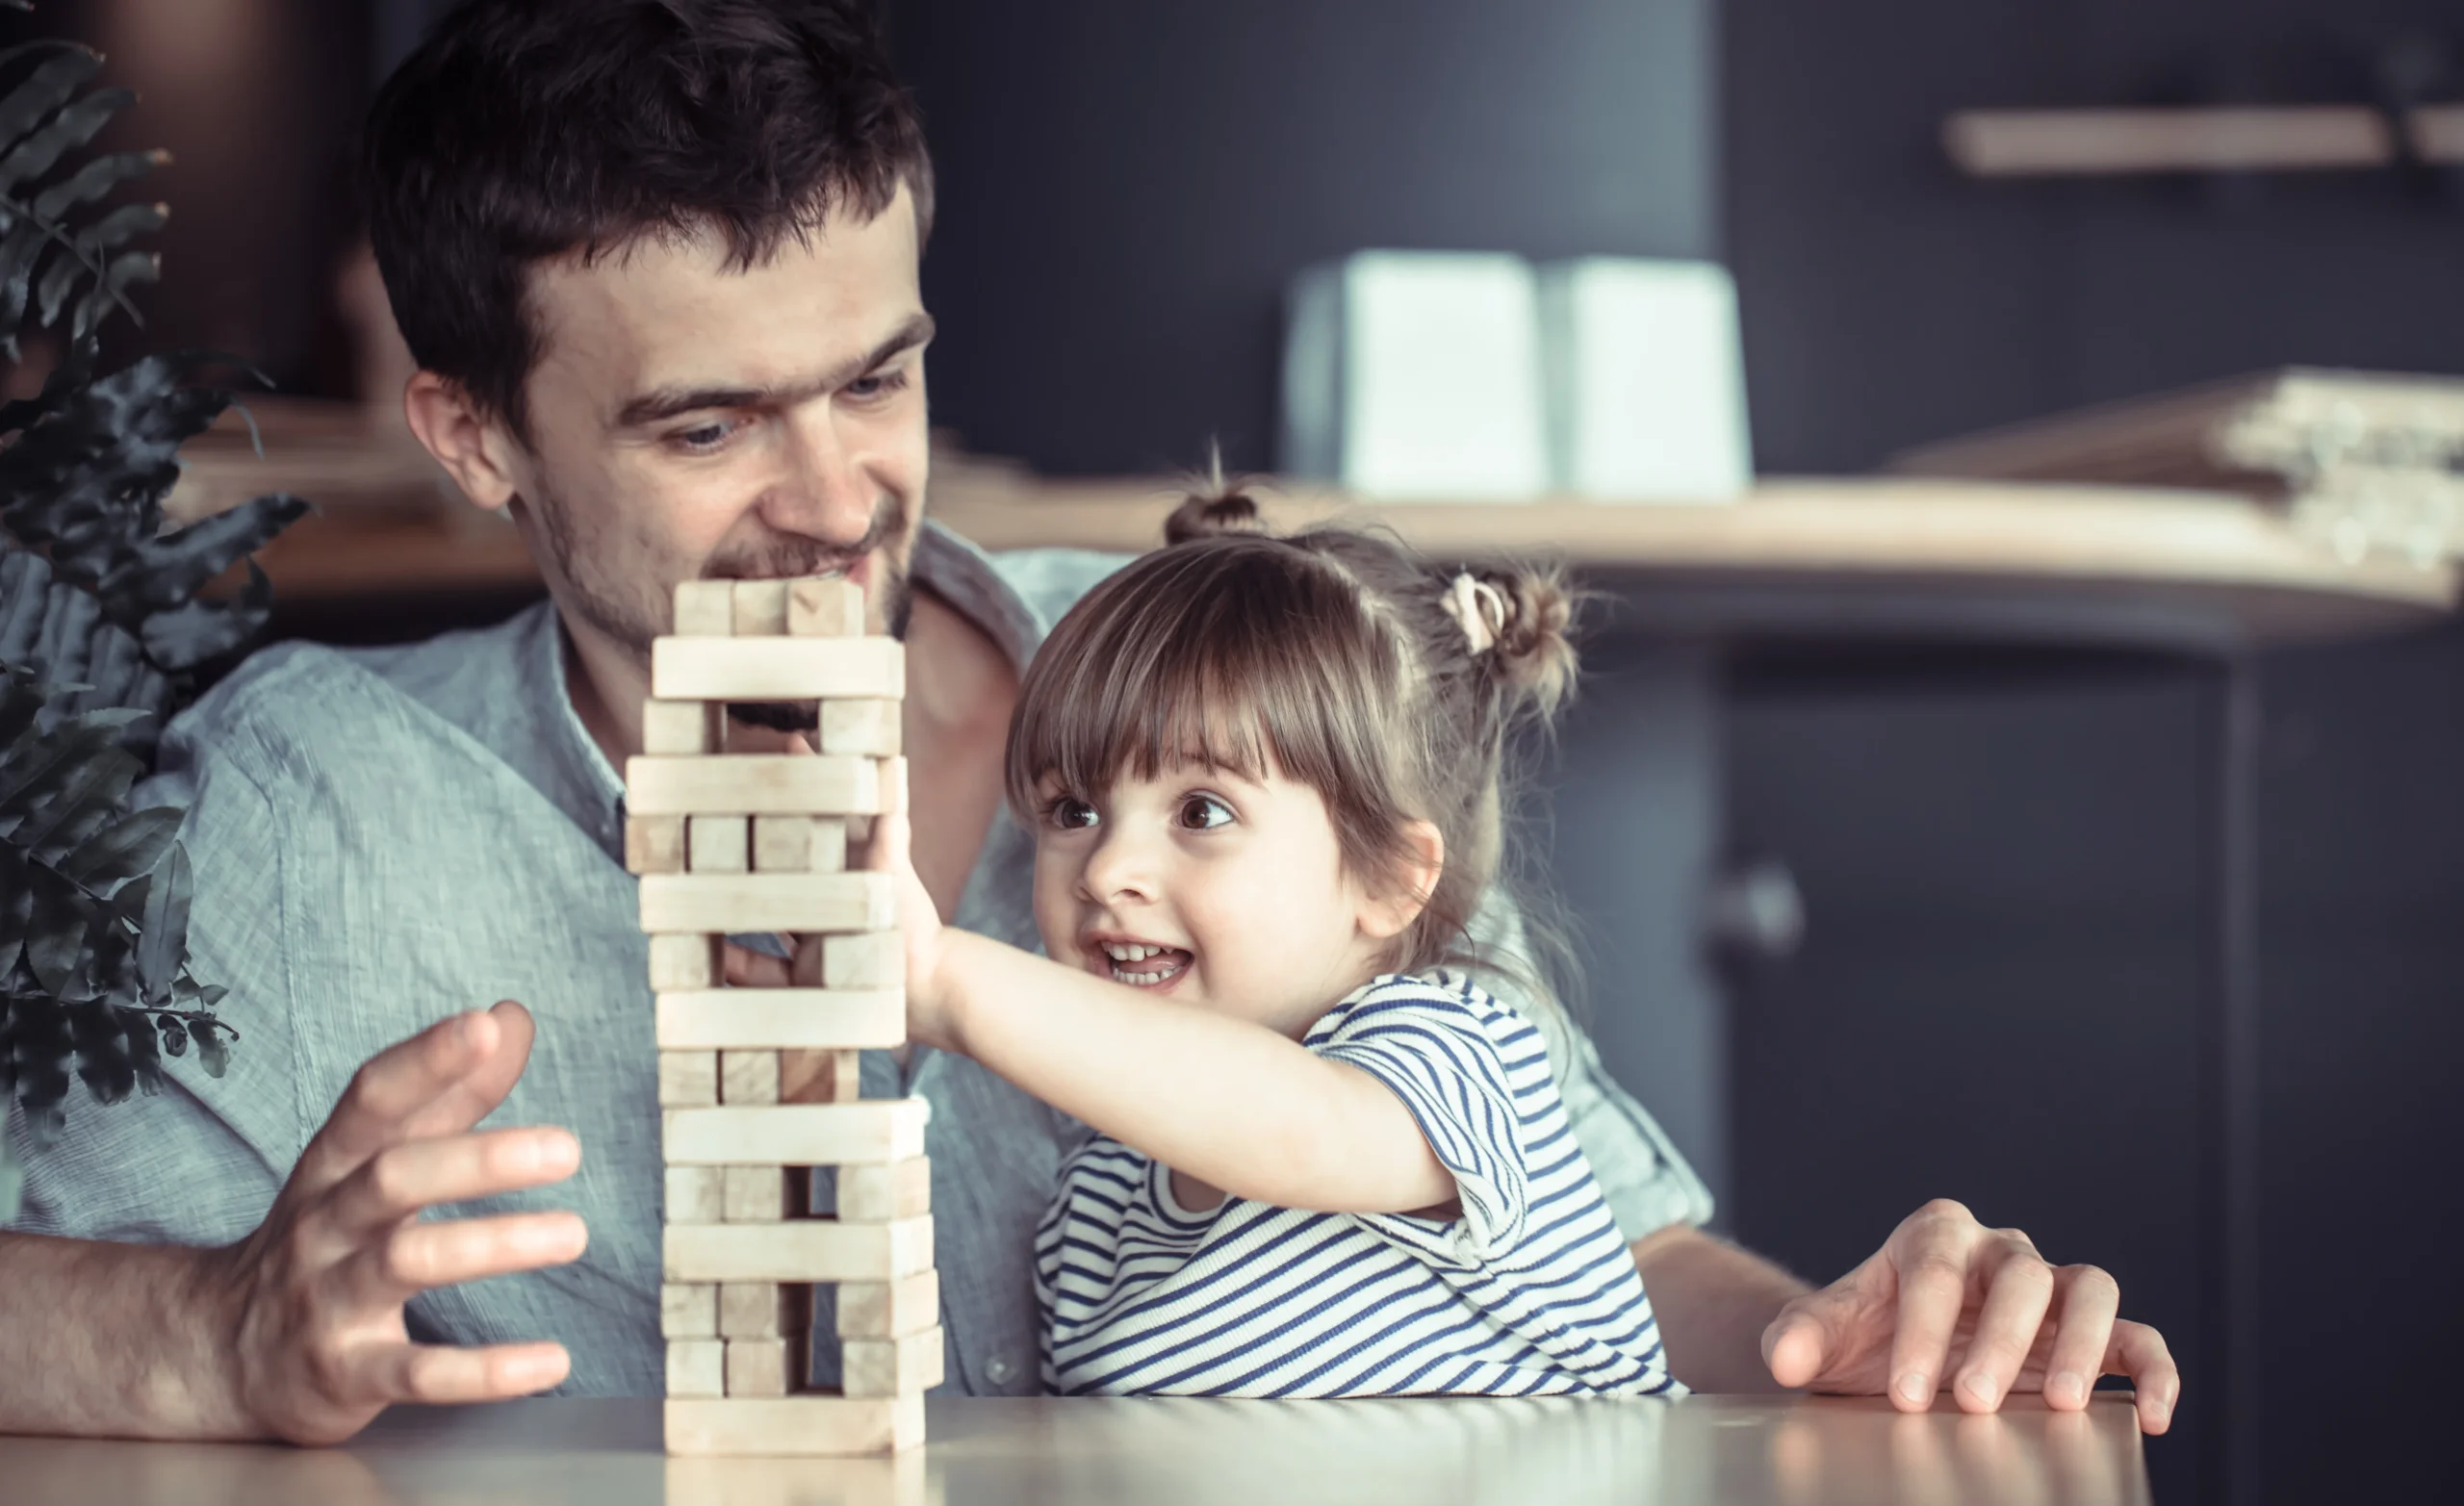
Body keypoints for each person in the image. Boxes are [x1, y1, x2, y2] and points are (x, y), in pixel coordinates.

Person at [0, 0, 2176, 1444]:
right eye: (704, 423)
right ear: (472, 437)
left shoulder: (1207, 674)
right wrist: (206, 1328)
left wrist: (1847, 1348)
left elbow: (1583, 1246)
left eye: (875, 373)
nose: (837, 493)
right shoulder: (309, 813)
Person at [888, 488, 1676, 1397]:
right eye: (1074, 810)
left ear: (1389, 877)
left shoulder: (1453, 1052)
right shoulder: (1093, 1214)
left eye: (1202, 811)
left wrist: (946, 978)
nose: (1107, 870)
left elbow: (1302, 1127)